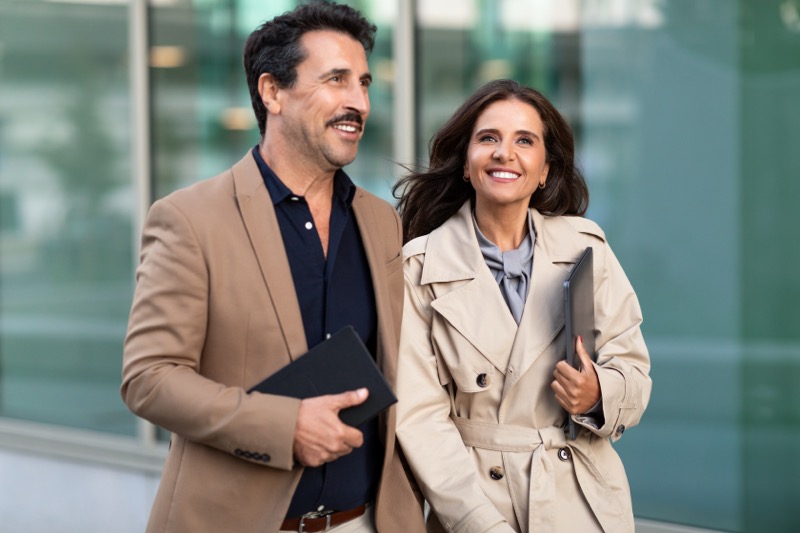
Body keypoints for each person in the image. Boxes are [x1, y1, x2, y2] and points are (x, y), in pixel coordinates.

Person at [121, 2, 424, 532]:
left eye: (365, 83)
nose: (359, 102)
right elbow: (149, 378)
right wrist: (286, 427)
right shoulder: (189, 219)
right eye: (336, 80)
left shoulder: (381, 222)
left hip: (367, 522)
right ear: (272, 92)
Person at [393, 79, 652, 532]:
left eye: (524, 141)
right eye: (488, 138)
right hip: (475, 506)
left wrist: (597, 395)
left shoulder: (587, 249)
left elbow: (634, 371)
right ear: (466, 165)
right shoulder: (419, 268)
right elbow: (419, 421)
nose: (504, 153)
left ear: (546, 169)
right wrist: (479, 523)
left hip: (583, 502)